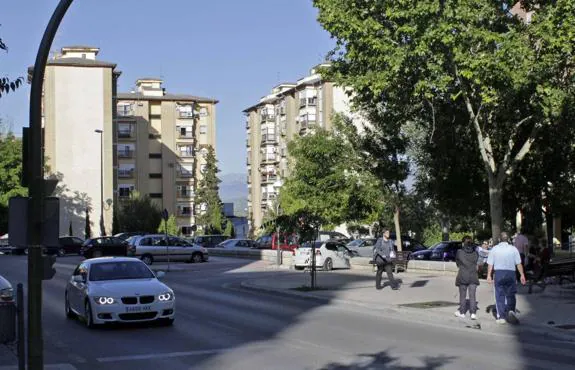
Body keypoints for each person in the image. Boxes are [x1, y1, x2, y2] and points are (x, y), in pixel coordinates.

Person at [487, 232, 526, 325]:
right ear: (508, 239)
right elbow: (518, 263)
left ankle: (501, 317)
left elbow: (490, 264)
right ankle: (511, 310)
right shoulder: (513, 249)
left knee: (499, 295)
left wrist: (489, 275)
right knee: (511, 293)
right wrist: (522, 275)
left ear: (499, 239)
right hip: (511, 273)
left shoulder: (494, 249)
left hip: (499, 273)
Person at [454, 236, 480, 319]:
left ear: (463, 243)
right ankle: (473, 313)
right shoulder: (475, 253)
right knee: (472, 295)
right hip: (473, 275)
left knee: (462, 295)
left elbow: (457, 263)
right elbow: (477, 262)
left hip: (463, 275)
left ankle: (462, 312)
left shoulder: (459, 252)